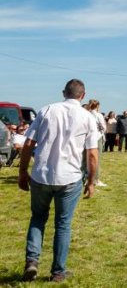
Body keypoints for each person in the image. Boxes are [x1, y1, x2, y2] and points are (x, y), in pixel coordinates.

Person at [18, 79, 101, 282]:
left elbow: (29, 142)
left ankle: (32, 261)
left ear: (64, 92)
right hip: (69, 178)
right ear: (82, 95)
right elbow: (92, 154)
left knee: (38, 218)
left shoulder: (46, 110)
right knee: (63, 224)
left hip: (41, 174)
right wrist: (91, 181)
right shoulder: (87, 117)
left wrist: (22, 171)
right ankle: (57, 272)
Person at [85, 100, 107, 187]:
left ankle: (86, 179)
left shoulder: (86, 114)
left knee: (86, 160)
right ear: (97, 106)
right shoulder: (98, 115)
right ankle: (96, 180)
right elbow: (103, 127)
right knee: (96, 160)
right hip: (97, 138)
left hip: (86, 138)